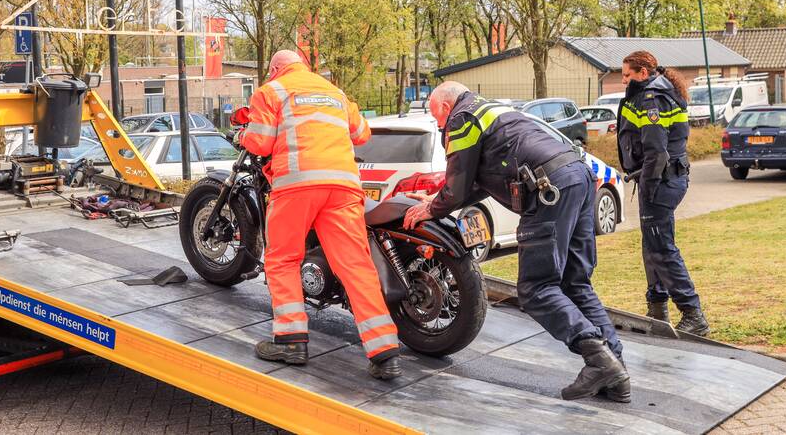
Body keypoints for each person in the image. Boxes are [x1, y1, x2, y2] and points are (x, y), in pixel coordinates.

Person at [404, 81, 630, 402]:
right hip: (579, 177)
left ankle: (598, 359)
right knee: (576, 283)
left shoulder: (461, 118)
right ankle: (616, 370)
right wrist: (436, 199)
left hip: (548, 189)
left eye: (435, 117)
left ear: (443, 107)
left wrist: (431, 207)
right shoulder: (492, 110)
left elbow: (458, 184)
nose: (439, 124)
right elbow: (477, 182)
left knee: (536, 289)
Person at [239, 50, 403, 379]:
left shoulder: (271, 91)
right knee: (355, 266)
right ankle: (384, 352)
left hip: (297, 186)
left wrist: (243, 134)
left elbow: (259, 142)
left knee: (282, 259)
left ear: (274, 69)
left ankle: (290, 341)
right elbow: (362, 134)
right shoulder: (334, 92)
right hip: (342, 186)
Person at [616, 50, 709, 336]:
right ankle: (657, 307)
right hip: (665, 179)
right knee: (652, 245)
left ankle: (693, 313)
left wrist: (649, 184)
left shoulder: (652, 99)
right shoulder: (660, 91)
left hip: (660, 181)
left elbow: (656, 151)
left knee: (661, 247)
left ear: (643, 73)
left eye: (627, 75)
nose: (623, 81)